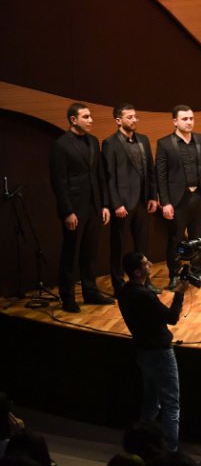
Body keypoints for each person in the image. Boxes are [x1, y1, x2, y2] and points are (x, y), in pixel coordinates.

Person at [117, 251, 189, 451]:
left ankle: (141, 445)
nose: (150, 263)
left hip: (142, 352)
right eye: (145, 263)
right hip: (160, 354)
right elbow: (172, 317)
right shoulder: (145, 295)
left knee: (151, 403)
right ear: (138, 271)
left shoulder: (125, 292)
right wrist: (180, 292)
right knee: (171, 404)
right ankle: (170, 452)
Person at [49, 102, 112, 312]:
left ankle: (90, 292)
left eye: (90, 116)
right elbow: (58, 182)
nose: (91, 120)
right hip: (75, 208)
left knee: (90, 252)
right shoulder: (61, 145)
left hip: (94, 206)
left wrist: (104, 204)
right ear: (73, 119)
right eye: (86, 117)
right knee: (71, 254)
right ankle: (67, 297)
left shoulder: (93, 141)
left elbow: (100, 176)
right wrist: (67, 211)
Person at [155, 105, 201, 290]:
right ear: (175, 121)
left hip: (199, 197)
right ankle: (175, 275)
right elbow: (161, 176)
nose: (189, 122)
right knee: (176, 239)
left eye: (191, 118)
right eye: (184, 119)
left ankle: (197, 273)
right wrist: (165, 202)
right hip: (177, 200)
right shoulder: (164, 143)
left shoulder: (200, 139)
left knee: (198, 238)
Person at [103, 104, 160, 297]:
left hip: (143, 201)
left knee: (143, 245)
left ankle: (145, 283)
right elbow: (109, 177)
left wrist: (153, 196)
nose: (134, 120)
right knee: (119, 245)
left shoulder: (143, 139)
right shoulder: (110, 143)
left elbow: (150, 170)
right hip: (123, 203)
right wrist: (116, 203)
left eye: (136, 117)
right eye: (130, 117)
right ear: (118, 120)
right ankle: (119, 286)